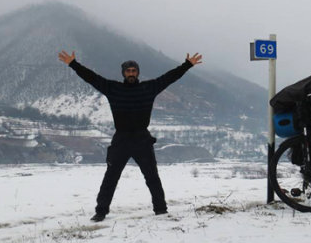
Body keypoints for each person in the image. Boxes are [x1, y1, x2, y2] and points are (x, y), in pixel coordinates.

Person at [58, 50, 203, 222]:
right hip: (121, 139)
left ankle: (161, 210)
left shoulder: (148, 88)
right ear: (123, 73)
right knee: (110, 177)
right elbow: (92, 78)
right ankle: (101, 212)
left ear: (138, 73)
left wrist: (187, 65)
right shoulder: (113, 89)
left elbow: (169, 78)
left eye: (134, 71)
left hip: (142, 139)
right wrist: (73, 64)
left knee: (152, 176)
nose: (131, 73)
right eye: (128, 71)